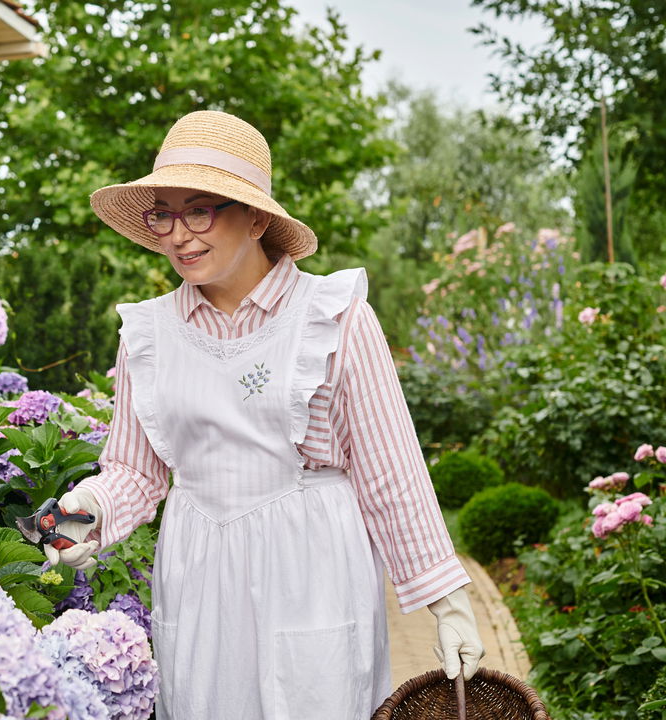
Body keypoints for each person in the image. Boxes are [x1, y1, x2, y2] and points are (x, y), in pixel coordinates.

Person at [38, 110, 485, 719]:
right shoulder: (149, 334)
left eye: (200, 211)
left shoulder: (333, 318)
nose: (179, 235)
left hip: (311, 567)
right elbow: (136, 471)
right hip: (197, 569)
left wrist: (447, 601)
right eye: (163, 215)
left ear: (255, 218)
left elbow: (389, 471)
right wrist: (81, 515)